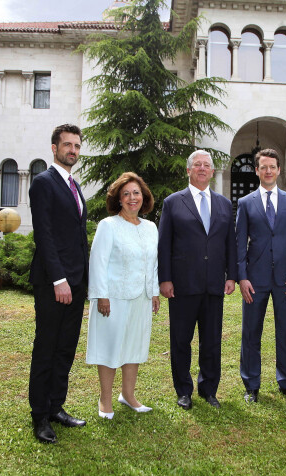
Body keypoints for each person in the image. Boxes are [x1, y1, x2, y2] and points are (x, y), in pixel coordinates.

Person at [158, 150, 237, 409]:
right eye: (197, 165)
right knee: (181, 340)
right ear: (188, 170)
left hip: (214, 284)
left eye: (206, 165)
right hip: (182, 285)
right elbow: (164, 244)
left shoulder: (224, 204)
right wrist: (165, 279)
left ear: (213, 172)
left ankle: (209, 389)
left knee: (212, 340)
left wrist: (232, 276)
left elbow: (230, 244)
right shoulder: (173, 202)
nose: (202, 168)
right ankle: (183, 390)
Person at [27, 124, 88, 444]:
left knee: (65, 349)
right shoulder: (43, 183)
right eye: (67, 145)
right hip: (55, 283)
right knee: (47, 348)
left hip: (76, 283)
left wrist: (81, 281)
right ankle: (39, 417)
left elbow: (77, 237)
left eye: (77, 145)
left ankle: (56, 407)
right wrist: (59, 279)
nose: (73, 150)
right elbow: (45, 235)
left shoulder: (74, 185)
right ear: (54, 148)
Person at [86, 172, 160, 420]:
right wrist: (101, 296)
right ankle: (104, 400)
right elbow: (97, 262)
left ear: (144, 197)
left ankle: (128, 395)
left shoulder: (151, 228)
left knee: (134, 346)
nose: (132, 198)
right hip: (114, 299)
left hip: (141, 297)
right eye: (126, 193)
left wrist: (154, 292)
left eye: (136, 193)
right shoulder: (108, 226)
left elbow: (154, 263)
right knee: (110, 346)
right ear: (118, 198)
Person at [235, 149, 286, 404]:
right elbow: (239, 243)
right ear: (256, 170)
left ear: (278, 169)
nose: (268, 171)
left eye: (272, 167)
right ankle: (251, 385)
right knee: (251, 333)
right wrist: (242, 277)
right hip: (254, 280)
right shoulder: (245, 203)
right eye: (263, 167)